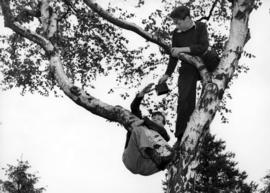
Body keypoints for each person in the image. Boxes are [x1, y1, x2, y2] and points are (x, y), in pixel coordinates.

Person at [158, 6, 210, 141]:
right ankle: (182, 134)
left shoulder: (200, 26)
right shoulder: (176, 34)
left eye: (178, 22)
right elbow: (174, 54)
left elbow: (203, 47)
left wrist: (182, 49)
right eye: (174, 23)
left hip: (205, 61)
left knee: (213, 55)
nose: (176, 25)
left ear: (187, 18)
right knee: (184, 99)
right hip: (188, 68)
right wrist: (167, 74)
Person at [122, 83, 174, 176]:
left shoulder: (163, 134)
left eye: (158, 119)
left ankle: (162, 161)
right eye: (153, 118)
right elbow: (134, 108)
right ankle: (149, 151)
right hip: (132, 158)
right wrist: (142, 93)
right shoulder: (143, 126)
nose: (154, 119)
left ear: (163, 124)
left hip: (147, 167)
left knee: (171, 153)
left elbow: (163, 133)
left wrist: (144, 120)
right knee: (139, 130)